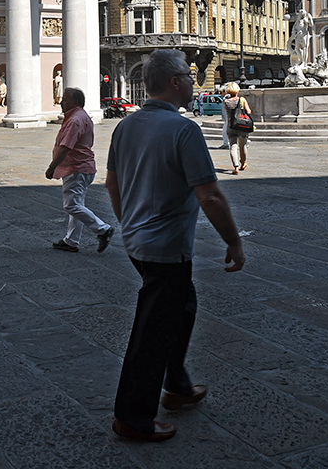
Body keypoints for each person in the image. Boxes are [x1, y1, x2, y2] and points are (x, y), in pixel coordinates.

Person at [105, 49, 245, 442]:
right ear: (175, 83)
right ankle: (133, 417)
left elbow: (112, 185)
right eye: (187, 73)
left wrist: (128, 222)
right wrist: (233, 242)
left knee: (182, 307)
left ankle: (178, 385)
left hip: (137, 242)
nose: (191, 78)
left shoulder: (124, 128)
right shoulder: (185, 131)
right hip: (165, 247)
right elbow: (210, 196)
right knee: (152, 331)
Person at [47, 87, 114, 254]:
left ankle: (103, 229)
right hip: (81, 167)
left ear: (75, 102)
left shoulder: (75, 120)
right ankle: (71, 241)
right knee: (77, 204)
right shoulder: (80, 116)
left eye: (65, 99)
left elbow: (65, 148)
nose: (61, 102)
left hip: (76, 168)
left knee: (71, 205)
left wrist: (52, 167)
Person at [223, 83, 251, 174]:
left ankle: (236, 167)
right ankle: (243, 163)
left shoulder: (226, 101)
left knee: (233, 147)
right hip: (242, 126)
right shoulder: (242, 100)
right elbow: (249, 111)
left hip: (231, 126)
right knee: (242, 146)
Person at [218, 84, 231, 149]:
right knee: (225, 131)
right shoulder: (226, 97)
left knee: (226, 131)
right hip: (227, 118)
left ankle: (227, 144)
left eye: (221, 92)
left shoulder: (227, 97)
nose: (221, 94)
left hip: (228, 117)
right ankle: (226, 143)